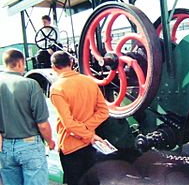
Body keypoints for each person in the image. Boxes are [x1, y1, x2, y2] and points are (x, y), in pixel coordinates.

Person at [50, 51, 109, 185]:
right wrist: (89, 130)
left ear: (53, 67)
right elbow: (104, 111)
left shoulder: (57, 88)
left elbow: (69, 124)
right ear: (71, 63)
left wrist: (85, 131)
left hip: (71, 145)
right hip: (90, 144)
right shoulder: (89, 81)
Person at [0, 49, 55, 185]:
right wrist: (50, 142)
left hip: (5, 147)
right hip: (29, 145)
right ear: (20, 63)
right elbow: (42, 124)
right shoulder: (30, 84)